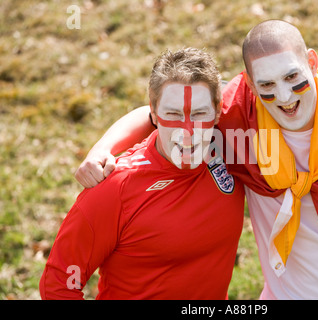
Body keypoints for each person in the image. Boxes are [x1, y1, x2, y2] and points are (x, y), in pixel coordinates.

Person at [74, 20, 318, 300]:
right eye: (267, 86)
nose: (284, 97)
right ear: (248, 82)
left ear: (312, 62)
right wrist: (101, 149)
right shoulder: (237, 118)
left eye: (294, 77)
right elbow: (157, 114)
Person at [40, 48, 245, 299]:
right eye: (173, 114)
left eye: (200, 114)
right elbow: (58, 284)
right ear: (155, 113)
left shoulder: (232, 145)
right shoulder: (115, 188)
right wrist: (102, 148)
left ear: (218, 110)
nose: (188, 131)